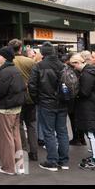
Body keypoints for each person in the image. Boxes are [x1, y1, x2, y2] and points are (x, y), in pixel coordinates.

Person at [29, 41, 69, 171]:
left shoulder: (38, 66)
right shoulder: (62, 65)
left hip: (46, 103)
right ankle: (64, 161)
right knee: (62, 131)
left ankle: (52, 161)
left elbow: (32, 86)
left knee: (49, 132)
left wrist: (36, 100)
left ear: (42, 53)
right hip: (62, 102)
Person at [0, 46, 26, 175]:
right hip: (16, 107)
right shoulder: (15, 70)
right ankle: (20, 166)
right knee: (16, 136)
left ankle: (9, 168)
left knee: (6, 138)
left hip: (6, 108)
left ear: (4, 57)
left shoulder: (5, 72)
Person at [8, 39, 37, 161]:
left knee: (18, 125)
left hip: (16, 97)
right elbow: (36, 80)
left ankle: (22, 150)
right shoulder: (30, 62)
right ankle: (34, 152)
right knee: (31, 124)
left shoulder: (9, 63)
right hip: (30, 97)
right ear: (21, 48)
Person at [69, 54, 95, 170]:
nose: (74, 68)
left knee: (92, 134)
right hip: (93, 105)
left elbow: (84, 92)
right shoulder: (92, 71)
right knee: (94, 134)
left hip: (89, 106)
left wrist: (75, 91)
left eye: (74, 65)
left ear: (78, 63)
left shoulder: (86, 74)